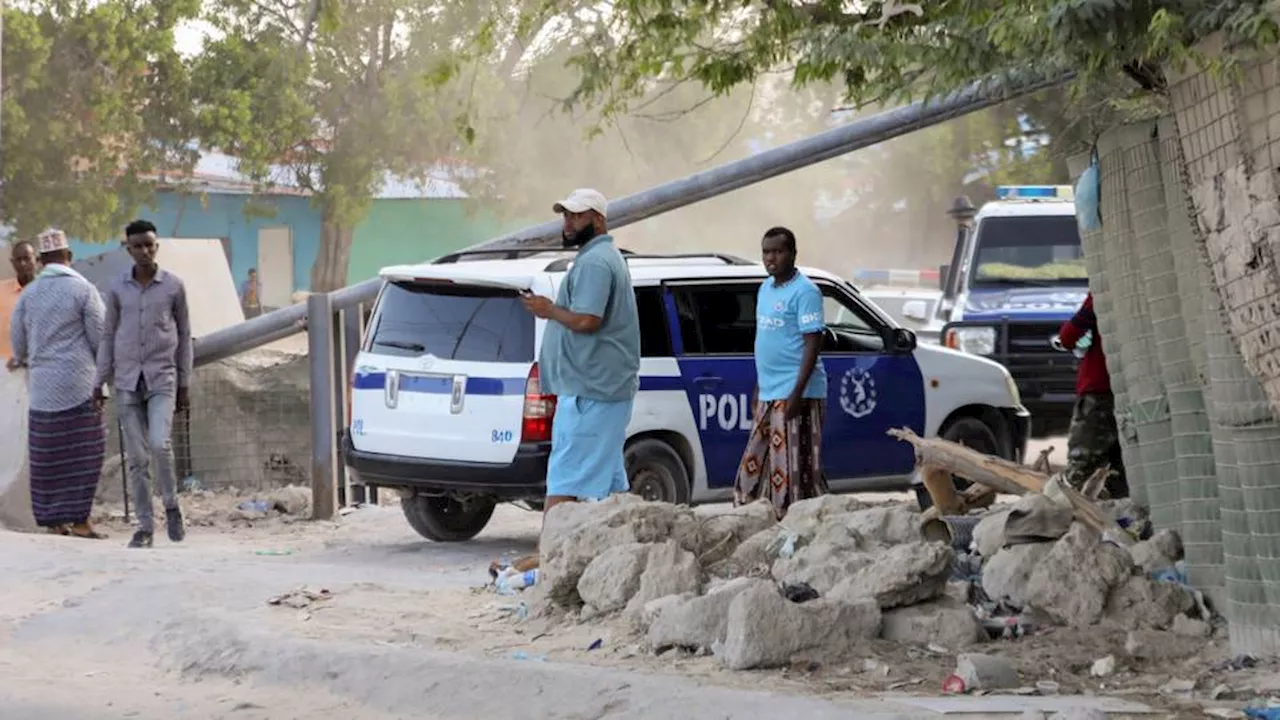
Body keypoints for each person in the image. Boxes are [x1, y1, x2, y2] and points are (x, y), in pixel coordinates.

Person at [515, 188, 640, 567]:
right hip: (596, 389)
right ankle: (618, 559)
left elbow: (588, 320)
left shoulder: (596, 263)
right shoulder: (597, 259)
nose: (568, 223)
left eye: (577, 216)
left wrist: (549, 310)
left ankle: (547, 561)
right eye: (565, 216)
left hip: (592, 391)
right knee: (611, 486)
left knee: (565, 478)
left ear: (598, 220)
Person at [95, 219, 193, 548]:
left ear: (157, 246)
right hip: (125, 380)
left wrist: (185, 382)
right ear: (128, 249)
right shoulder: (117, 288)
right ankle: (145, 527)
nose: (145, 251)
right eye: (138, 246)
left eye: (150, 245)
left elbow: (184, 336)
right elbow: (108, 334)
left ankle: (171, 505)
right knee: (136, 457)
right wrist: (99, 381)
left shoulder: (173, 286)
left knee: (158, 444)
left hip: (162, 377)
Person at [10, 229, 108, 538]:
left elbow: (19, 342)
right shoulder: (84, 290)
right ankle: (80, 521)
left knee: (47, 455)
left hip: (41, 390)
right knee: (84, 452)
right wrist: (102, 380)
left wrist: (26, 357)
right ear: (69, 257)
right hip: (79, 386)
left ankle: (54, 521)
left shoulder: (29, 294)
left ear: (40, 261)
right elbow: (101, 338)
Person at [734, 226, 829, 518]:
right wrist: (758, 388)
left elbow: (813, 343)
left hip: (796, 391)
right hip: (769, 390)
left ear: (792, 254)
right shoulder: (765, 288)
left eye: (777, 251)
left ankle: (798, 525)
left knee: (793, 469)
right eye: (766, 252)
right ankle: (753, 518)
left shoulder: (806, 292)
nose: (770, 258)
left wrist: (797, 393)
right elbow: (765, 343)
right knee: (755, 463)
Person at [1055, 292, 1128, 498]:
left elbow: (1068, 337)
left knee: (1080, 474)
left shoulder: (1102, 292)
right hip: (1135, 392)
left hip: (1099, 394)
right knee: (1122, 474)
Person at [2, 240, 39, 366]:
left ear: (37, 259)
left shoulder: (50, 289)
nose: (23, 264)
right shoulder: (1, 291)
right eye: (18, 260)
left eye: (27, 258)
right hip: (8, 370)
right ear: (12, 262)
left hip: (43, 367)